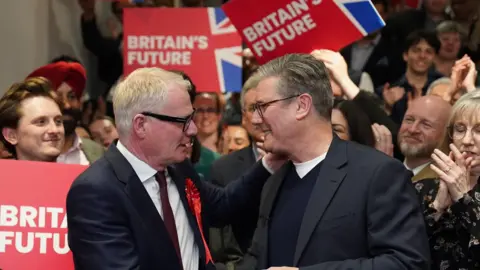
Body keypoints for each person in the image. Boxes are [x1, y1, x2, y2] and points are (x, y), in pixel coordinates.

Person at [66, 67, 285, 270]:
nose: (193, 129)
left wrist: (269, 164)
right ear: (141, 125)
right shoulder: (96, 191)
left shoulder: (178, 166)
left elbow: (221, 206)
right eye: (183, 121)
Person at [239, 53, 430, 269]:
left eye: (263, 106)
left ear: (301, 106)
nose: (255, 120)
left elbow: (406, 263)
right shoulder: (275, 180)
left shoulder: (377, 174)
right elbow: (256, 258)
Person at [415, 90, 480, 269]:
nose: (466, 140)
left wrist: (463, 198)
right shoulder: (422, 188)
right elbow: (403, 252)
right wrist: (436, 209)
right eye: (459, 129)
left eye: (479, 130)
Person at [0, 77, 64, 162]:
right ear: (11, 135)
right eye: (41, 122)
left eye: (58, 122)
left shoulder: (81, 174)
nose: (54, 130)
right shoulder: (4, 175)